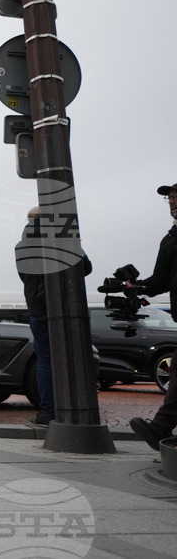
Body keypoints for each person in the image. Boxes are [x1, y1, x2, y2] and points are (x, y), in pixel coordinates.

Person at [15, 206, 92, 428]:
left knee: (45, 361)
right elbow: (85, 269)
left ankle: (48, 411)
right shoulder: (64, 239)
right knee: (75, 356)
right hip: (66, 310)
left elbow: (24, 277)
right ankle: (78, 407)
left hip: (38, 310)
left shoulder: (21, 246)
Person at [129, 182, 177, 450]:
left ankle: (161, 427)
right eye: (170, 197)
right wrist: (135, 288)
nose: (172, 201)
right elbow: (160, 279)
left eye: (176, 196)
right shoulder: (170, 238)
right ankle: (161, 427)